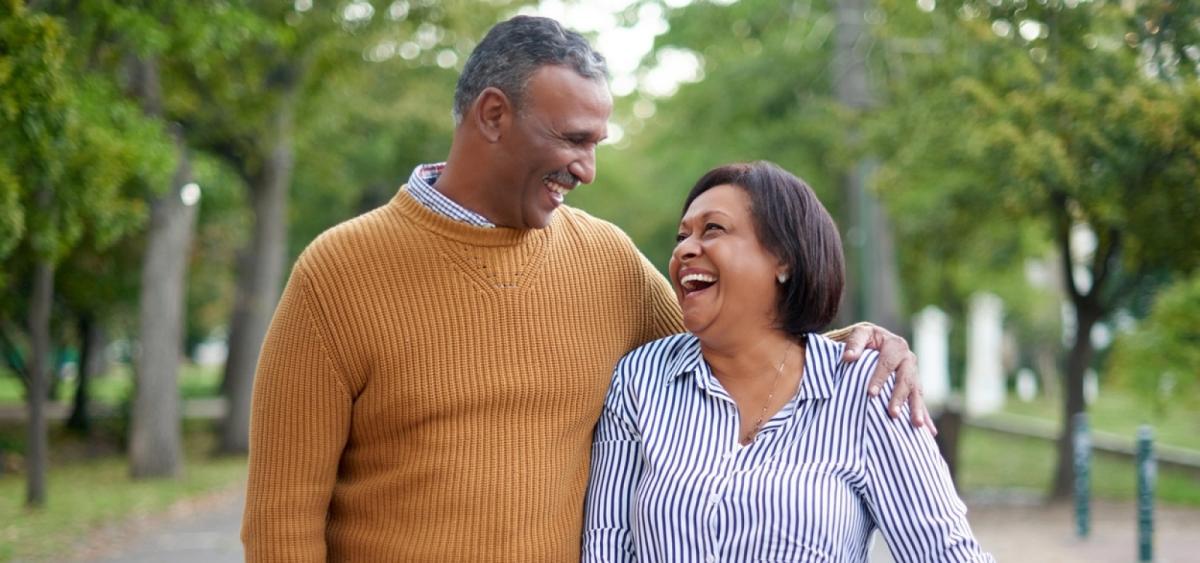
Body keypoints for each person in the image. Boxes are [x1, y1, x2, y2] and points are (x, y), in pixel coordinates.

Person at [241, 16, 929, 562]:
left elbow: (732, 347)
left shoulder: (607, 262)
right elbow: (282, 520)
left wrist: (852, 346)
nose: (588, 170)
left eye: (598, 142)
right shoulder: (339, 273)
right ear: (492, 116)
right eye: (574, 139)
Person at [582, 161, 990, 562]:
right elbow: (607, 545)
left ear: (784, 260)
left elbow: (944, 553)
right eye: (682, 235)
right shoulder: (640, 379)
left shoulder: (869, 387)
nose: (684, 248)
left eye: (713, 229)